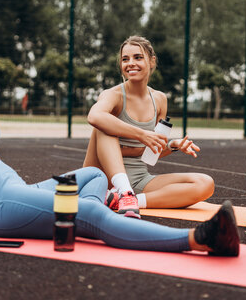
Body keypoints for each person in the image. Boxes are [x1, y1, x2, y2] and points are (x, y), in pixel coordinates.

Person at [0, 22, 240, 257]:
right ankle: (198, 239)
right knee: (89, 210)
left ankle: (91, 222)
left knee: (94, 179)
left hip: (11, 186)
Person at [83, 35, 214, 219]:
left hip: (139, 179)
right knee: (104, 123)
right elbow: (94, 116)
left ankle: (130, 200)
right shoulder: (113, 95)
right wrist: (142, 135)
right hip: (102, 180)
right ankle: (123, 190)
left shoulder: (159, 99)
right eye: (125, 59)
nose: (130, 63)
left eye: (138, 57)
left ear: (152, 61)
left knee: (205, 183)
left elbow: (150, 154)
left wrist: (173, 145)